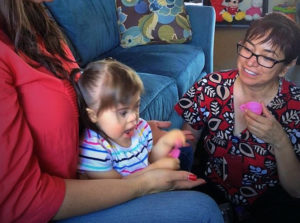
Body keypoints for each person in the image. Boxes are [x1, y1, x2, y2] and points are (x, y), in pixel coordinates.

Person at [0, 0, 224, 222]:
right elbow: (23, 202)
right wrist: (144, 183)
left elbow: (78, 91)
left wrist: (131, 126)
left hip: (94, 175)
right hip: (62, 202)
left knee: (181, 151)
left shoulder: (35, 18)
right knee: (202, 209)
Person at [175, 12, 300, 223]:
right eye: (248, 49)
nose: (251, 62)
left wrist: (279, 140)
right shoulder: (210, 86)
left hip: (271, 199)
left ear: (286, 67)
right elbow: (187, 143)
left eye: (268, 57)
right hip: (213, 187)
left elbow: (296, 190)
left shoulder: (295, 107)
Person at [71, 59, 183, 179]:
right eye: (123, 112)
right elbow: (118, 187)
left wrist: (164, 144)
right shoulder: (95, 148)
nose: (134, 117)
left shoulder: (141, 127)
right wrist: (155, 168)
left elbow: (149, 158)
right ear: (94, 116)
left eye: (136, 106)